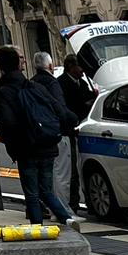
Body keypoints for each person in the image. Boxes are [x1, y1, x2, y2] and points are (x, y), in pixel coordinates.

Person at [0, 46, 78, 227]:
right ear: (19, 64)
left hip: (26, 149)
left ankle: (37, 228)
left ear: (1, 67)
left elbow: (7, 125)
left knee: (31, 193)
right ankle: (67, 219)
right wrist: (69, 123)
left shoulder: (4, 93)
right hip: (47, 145)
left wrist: (12, 146)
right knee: (47, 190)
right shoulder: (36, 87)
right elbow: (60, 111)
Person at [34, 52, 76, 212]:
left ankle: (49, 208)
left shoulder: (31, 83)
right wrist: (73, 120)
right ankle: (63, 210)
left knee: (46, 175)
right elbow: (60, 108)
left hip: (38, 135)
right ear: (50, 66)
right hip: (56, 133)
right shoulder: (52, 83)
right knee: (61, 174)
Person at [59, 57, 98, 214]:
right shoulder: (61, 84)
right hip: (70, 130)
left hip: (83, 129)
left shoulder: (81, 84)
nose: (82, 70)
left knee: (82, 169)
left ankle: (85, 202)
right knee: (71, 171)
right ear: (70, 67)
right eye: (79, 66)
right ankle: (72, 204)